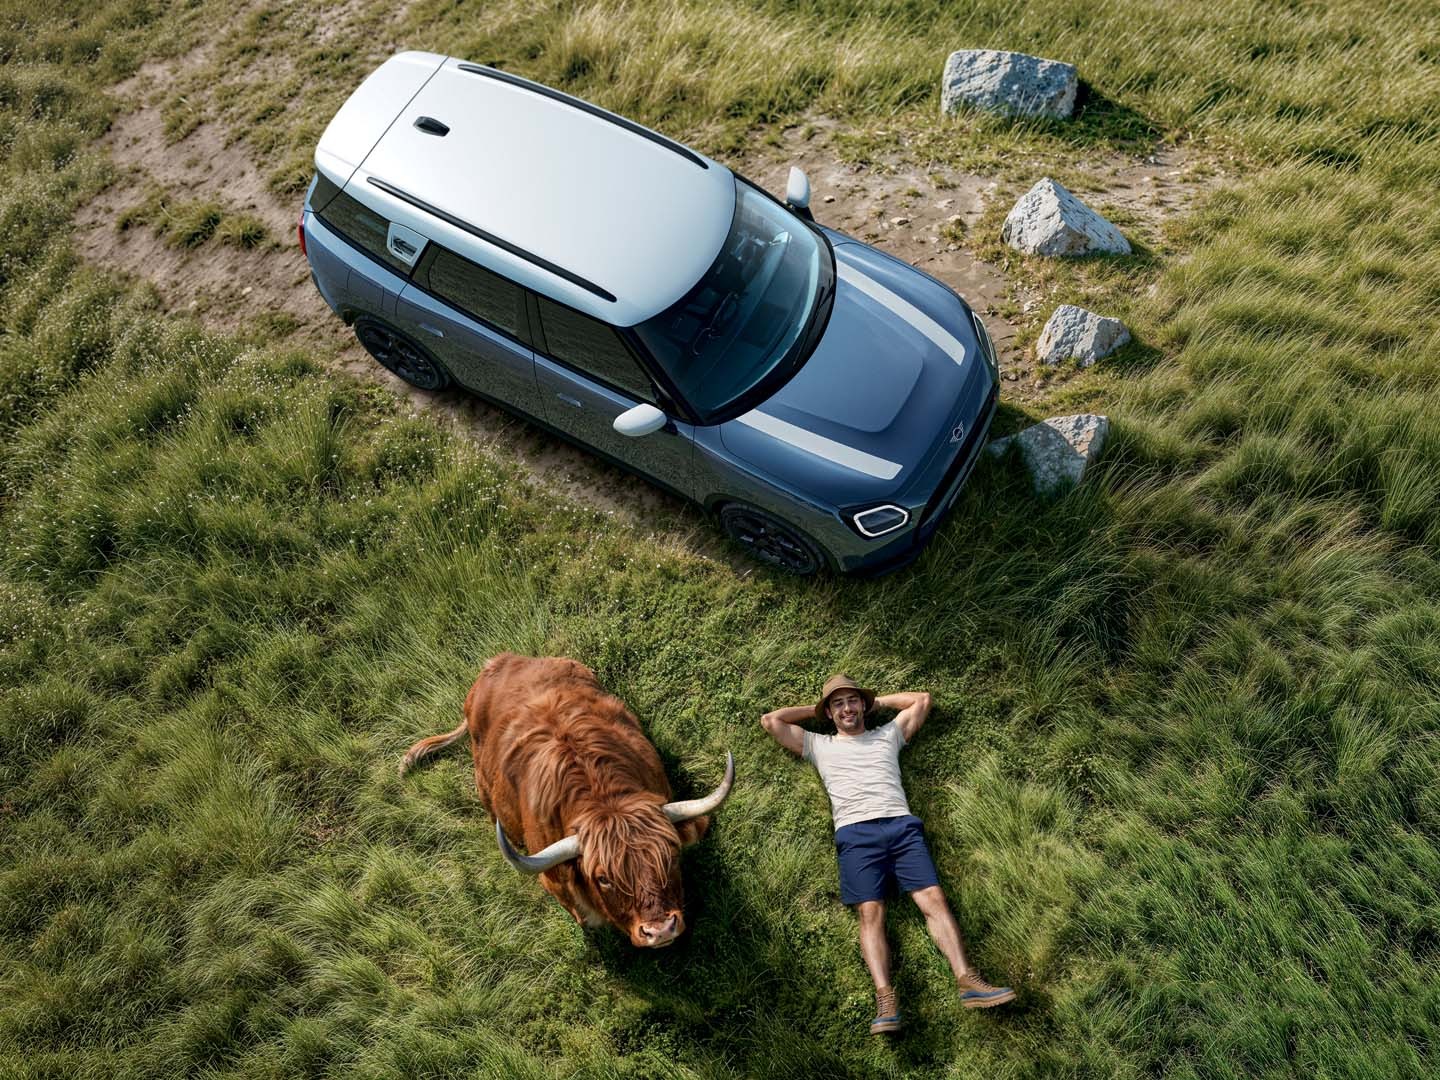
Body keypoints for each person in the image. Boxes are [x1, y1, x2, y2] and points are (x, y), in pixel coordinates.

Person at [760, 674, 1014, 1034]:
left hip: (901, 826)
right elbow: (771, 720)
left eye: (852, 700)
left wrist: (876, 703)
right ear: (829, 714)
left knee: (934, 899)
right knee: (870, 912)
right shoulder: (819, 744)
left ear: (863, 705)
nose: (847, 708)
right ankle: (886, 1001)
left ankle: (967, 980)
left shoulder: (888, 734)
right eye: (838, 704)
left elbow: (922, 700)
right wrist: (818, 711)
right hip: (855, 834)